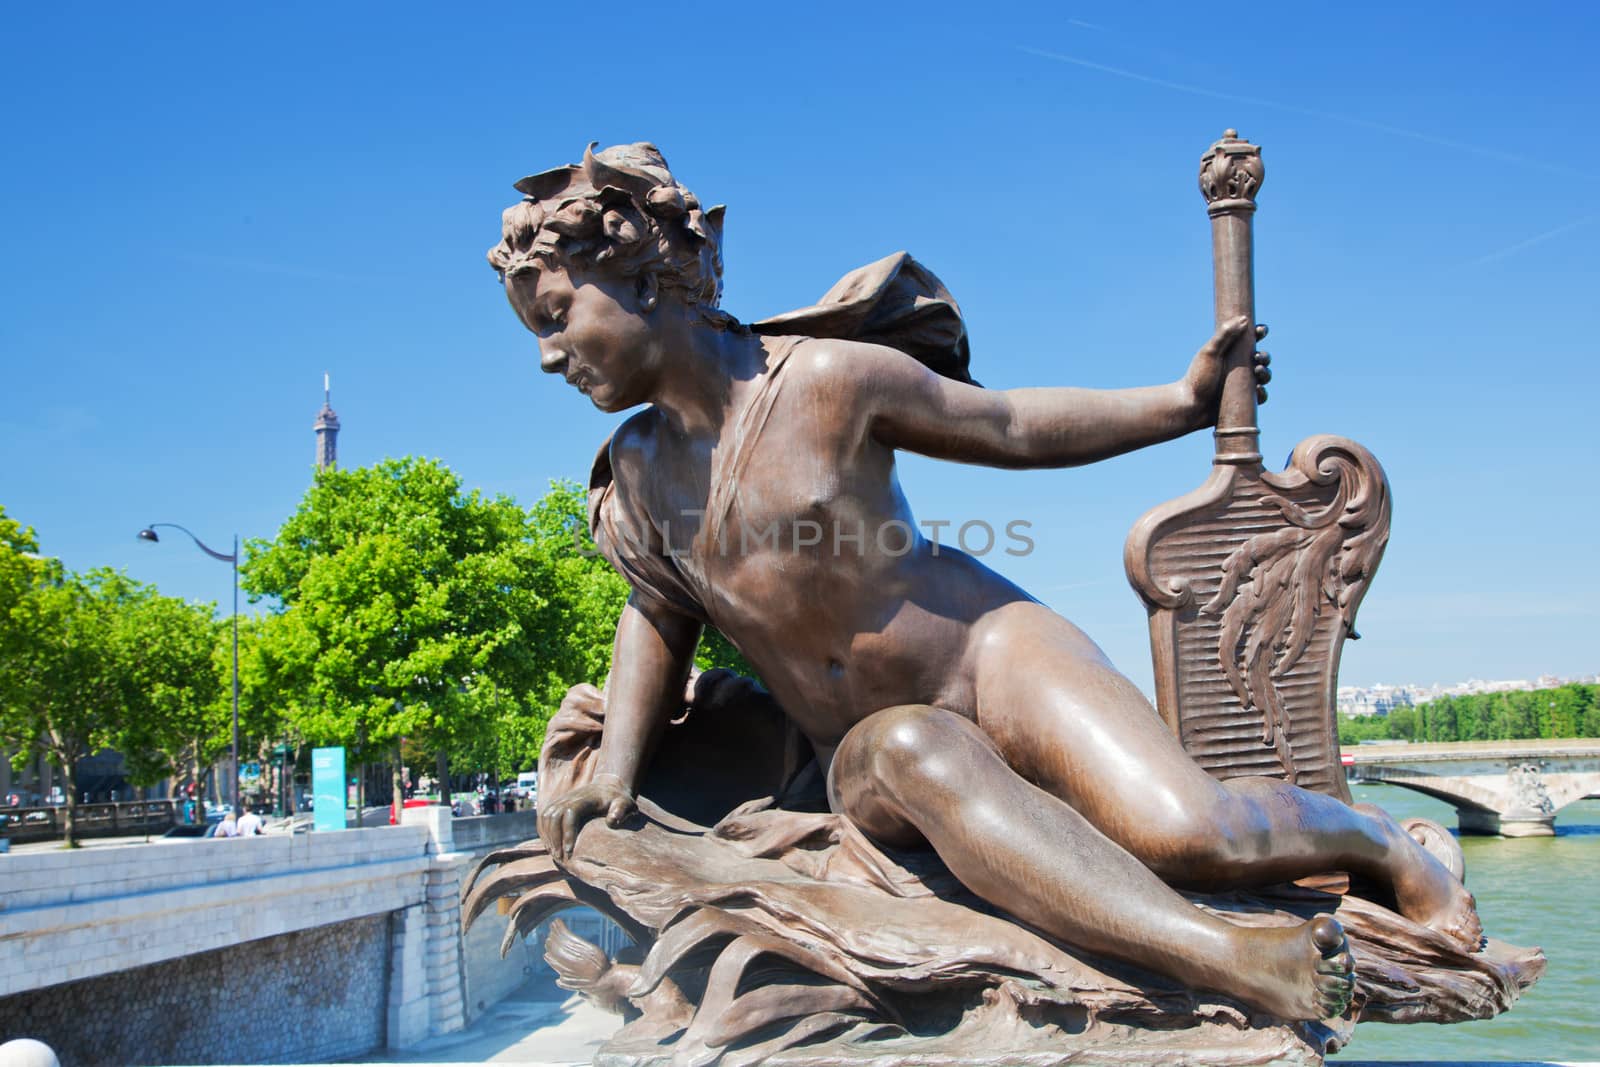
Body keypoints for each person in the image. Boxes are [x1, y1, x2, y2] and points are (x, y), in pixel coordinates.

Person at [497, 144, 1480, 1023]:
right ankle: (1231, 956)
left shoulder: (829, 379)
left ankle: (1381, 840)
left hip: (995, 649)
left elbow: (1008, 426)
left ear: (642, 272)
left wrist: (1179, 404)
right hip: (865, 744)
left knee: (1192, 828)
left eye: (555, 315)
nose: (547, 355)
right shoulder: (633, 469)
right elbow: (655, 615)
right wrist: (617, 771)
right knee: (915, 744)